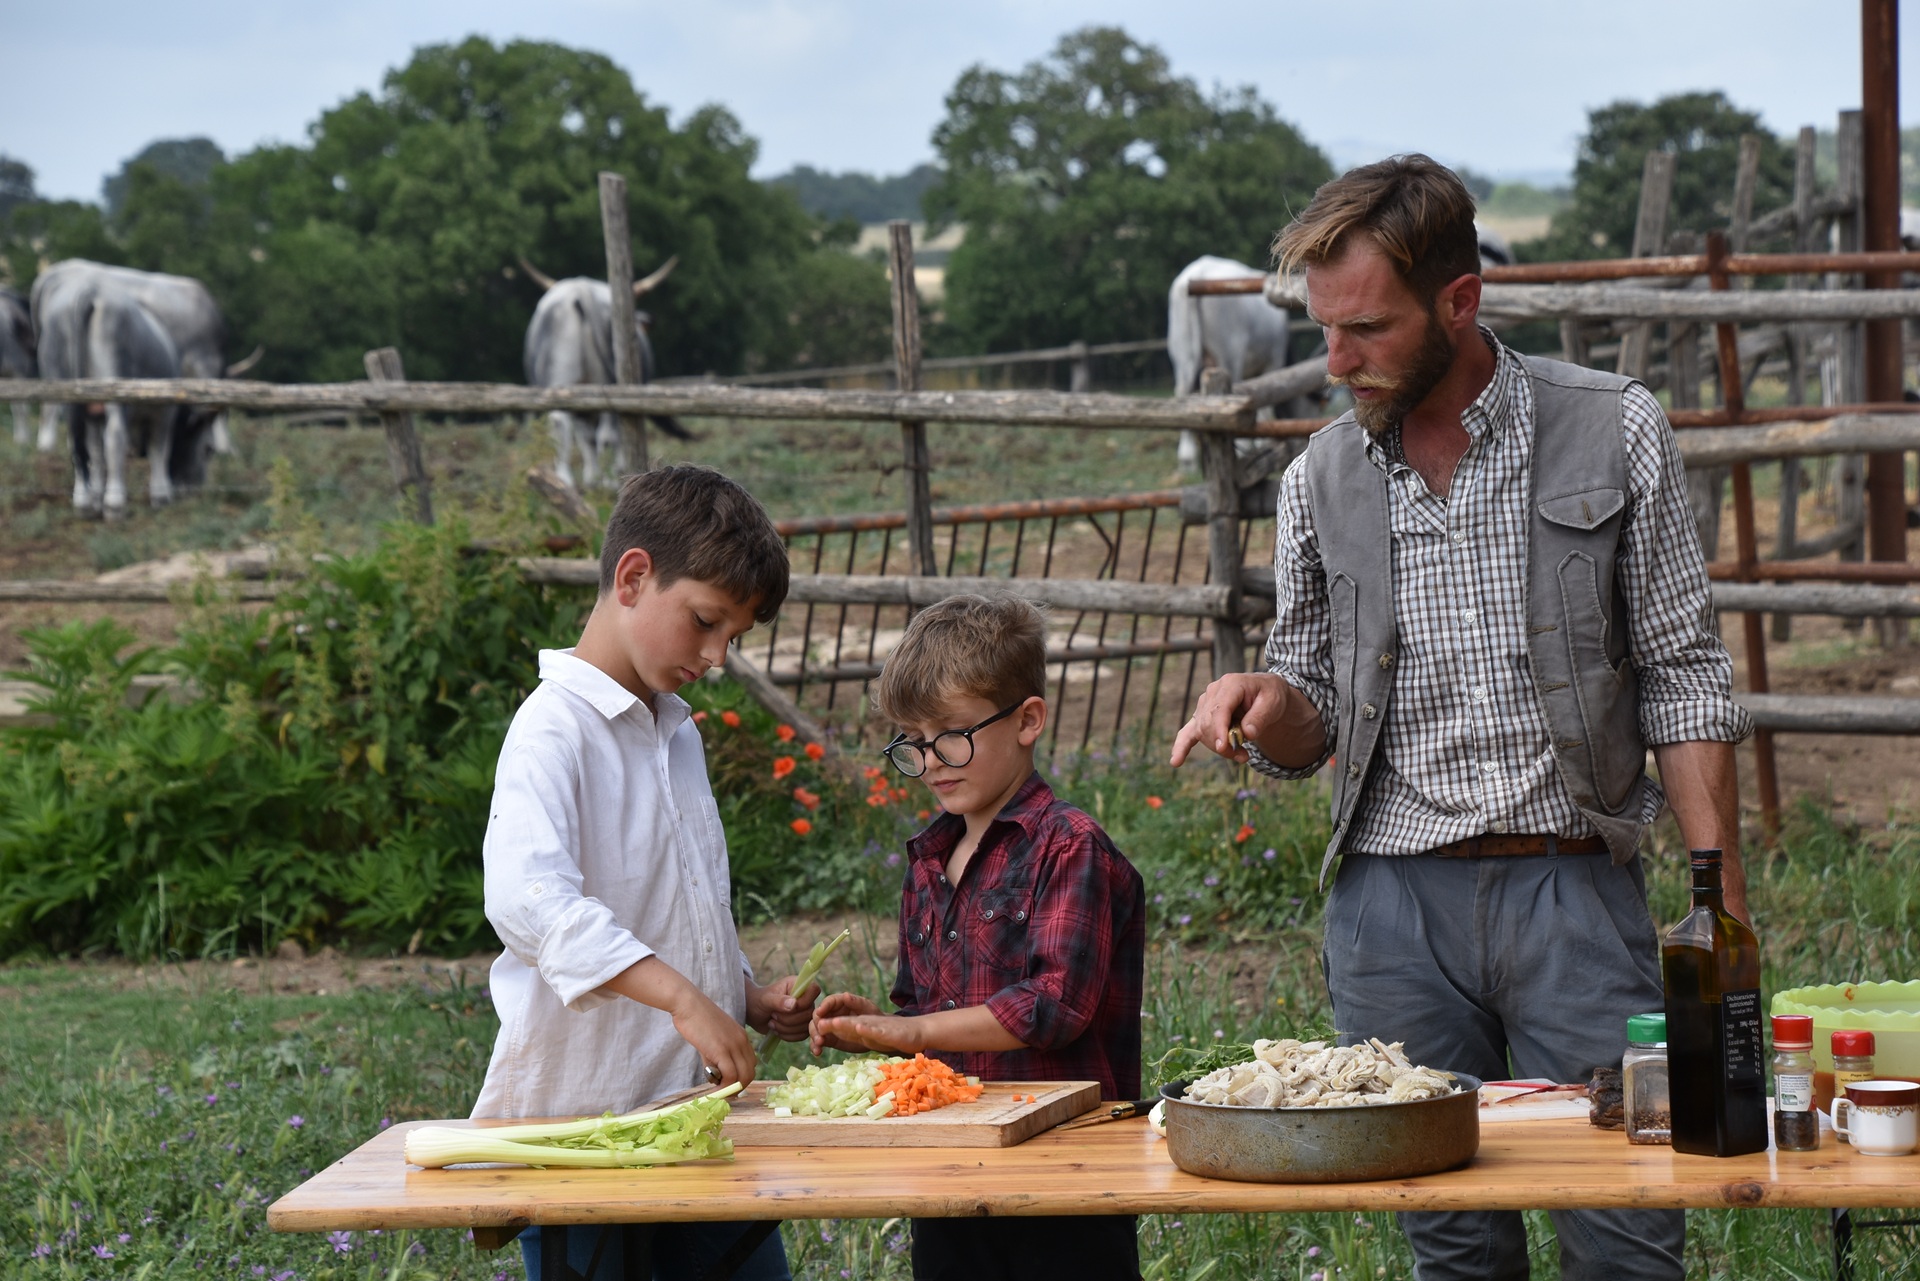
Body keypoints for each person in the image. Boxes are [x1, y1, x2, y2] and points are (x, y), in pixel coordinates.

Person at [1170, 155, 1752, 1281]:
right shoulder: (1318, 479)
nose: (1335, 364)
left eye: (1368, 331)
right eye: (1323, 331)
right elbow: (1313, 714)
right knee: (1450, 1245)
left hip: (1575, 887)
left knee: (1628, 1224)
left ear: (1461, 301)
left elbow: (1683, 673)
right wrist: (1263, 706)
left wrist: (1717, 899)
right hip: (1391, 915)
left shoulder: (1613, 430)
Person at [475, 464, 816, 1281]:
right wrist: (678, 995)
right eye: (704, 622)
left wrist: (741, 994)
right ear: (633, 577)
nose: (718, 655)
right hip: (582, 1131)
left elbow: (686, 898)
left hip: (691, 1118)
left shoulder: (677, 732)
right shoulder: (551, 729)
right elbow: (526, 898)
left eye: (733, 636)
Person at [808, 594, 1146, 1281]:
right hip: (950, 1167)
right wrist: (877, 1026)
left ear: (1027, 720)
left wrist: (907, 1034)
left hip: (1066, 1174)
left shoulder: (1069, 846)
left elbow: (1053, 1007)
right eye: (914, 742)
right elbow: (923, 1013)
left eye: (953, 734)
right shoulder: (930, 857)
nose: (932, 760)